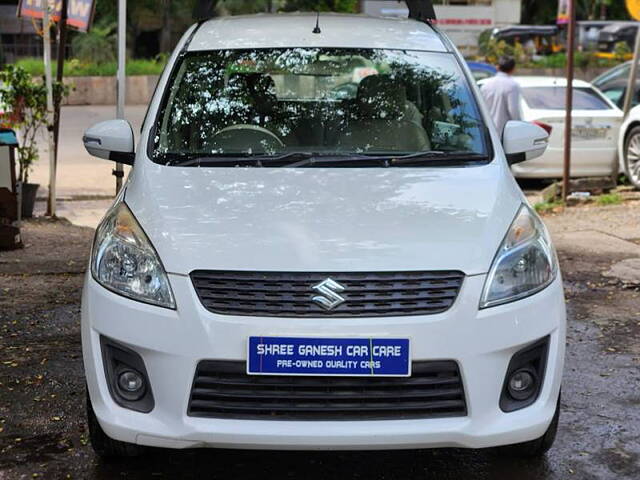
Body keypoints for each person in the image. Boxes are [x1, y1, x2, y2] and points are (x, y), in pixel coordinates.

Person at [480, 56, 522, 135]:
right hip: (504, 133)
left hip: (487, 132)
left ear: (497, 67)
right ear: (513, 69)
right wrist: (520, 128)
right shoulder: (512, 85)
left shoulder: (485, 85)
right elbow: (513, 111)